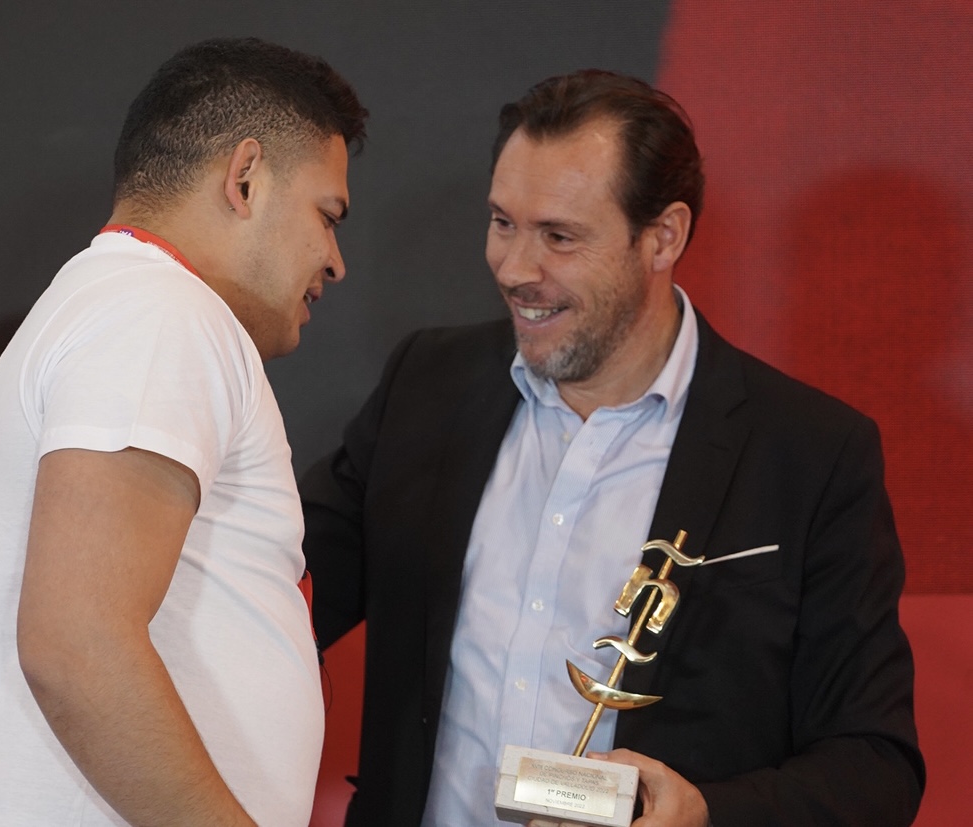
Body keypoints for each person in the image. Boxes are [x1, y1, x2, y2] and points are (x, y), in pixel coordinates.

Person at [300, 71, 924, 827]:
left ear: (663, 237)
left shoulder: (812, 455)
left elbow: (874, 766)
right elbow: (280, 589)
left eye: (559, 236)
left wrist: (706, 814)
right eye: (502, 222)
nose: (514, 268)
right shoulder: (428, 384)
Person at [0, 38, 366, 826]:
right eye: (327, 214)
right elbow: (77, 644)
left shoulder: (109, 305)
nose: (335, 260)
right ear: (246, 178)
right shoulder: (161, 312)